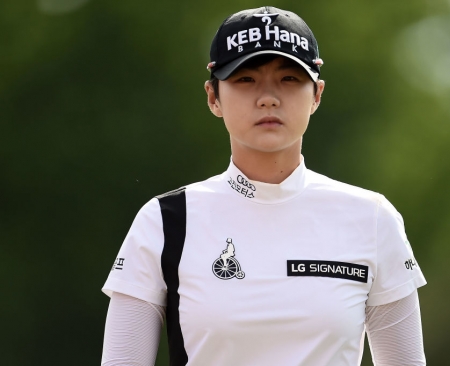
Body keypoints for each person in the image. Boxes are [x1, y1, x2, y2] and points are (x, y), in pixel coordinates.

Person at [101, 6, 427, 366]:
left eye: (289, 79)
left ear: (316, 94)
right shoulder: (164, 221)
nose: (268, 97)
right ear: (213, 97)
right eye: (245, 79)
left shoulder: (372, 218)